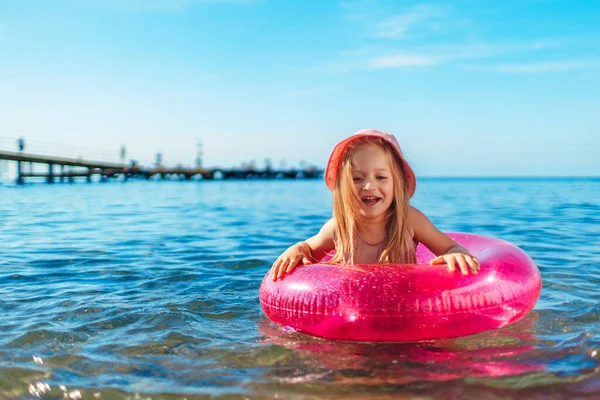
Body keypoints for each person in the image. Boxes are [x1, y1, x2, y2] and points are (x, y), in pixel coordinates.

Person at [271, 128, 480, 281]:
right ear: (343, 186)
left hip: (404, 311)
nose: (369, 186)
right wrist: (297, 249)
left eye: (381, 177)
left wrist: (455, 255)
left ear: (396, 183)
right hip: (356, 316)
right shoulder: (339, 227)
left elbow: (450, 246)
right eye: (357, 178)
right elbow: (307, 249)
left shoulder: (409, 220)